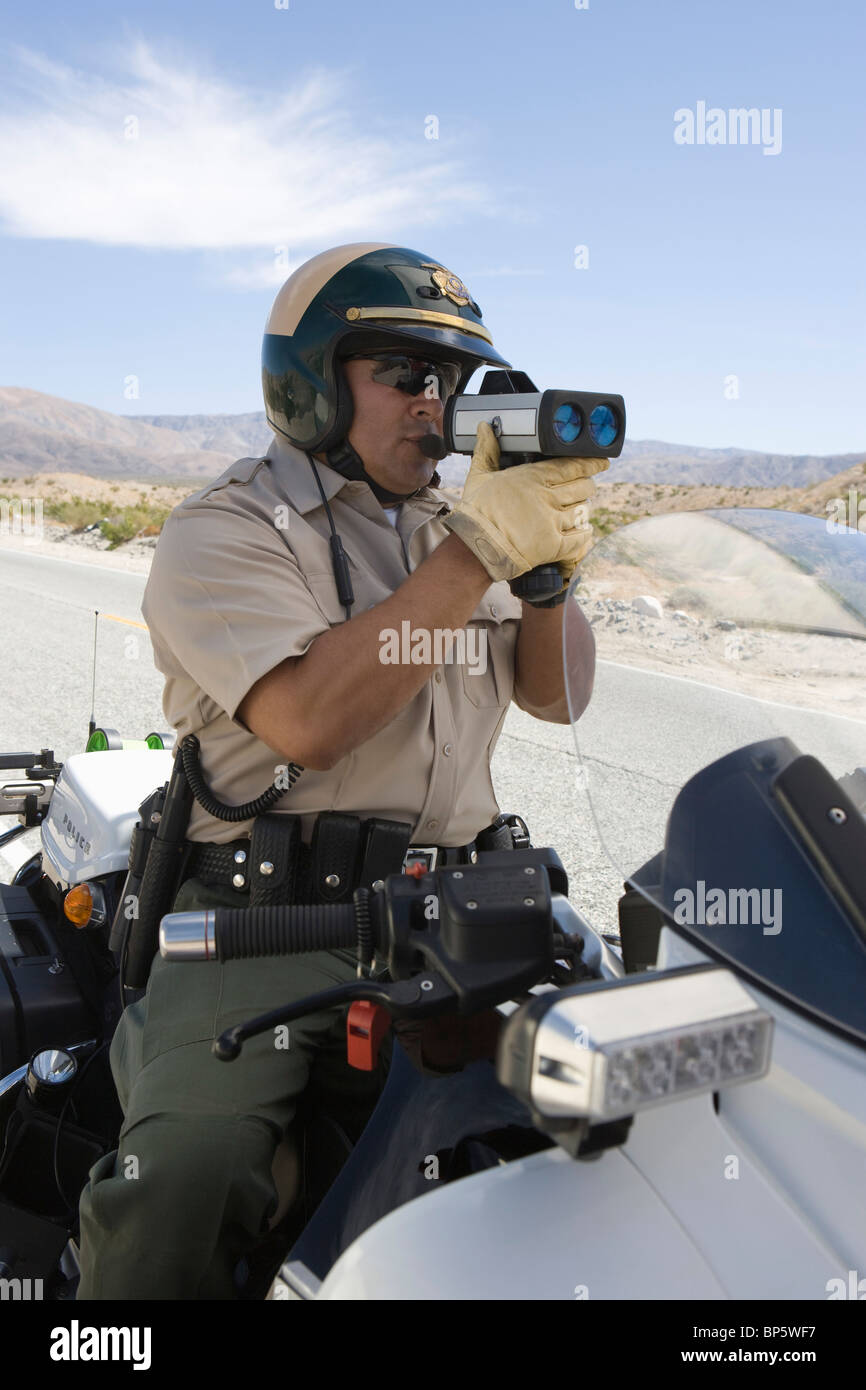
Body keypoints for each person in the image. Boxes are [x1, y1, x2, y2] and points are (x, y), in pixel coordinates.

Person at [76, 243, 606, 1299]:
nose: (434, 404)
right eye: (404, 375)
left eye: (448, 383)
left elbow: (555, 696)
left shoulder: (457, 533)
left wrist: (542, 574)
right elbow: (309, 721)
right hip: (269, 924)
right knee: (182, 1176)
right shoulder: (226, 528)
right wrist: (474, 555)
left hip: (455, 911)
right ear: (313, 382)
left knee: (606, 1131)